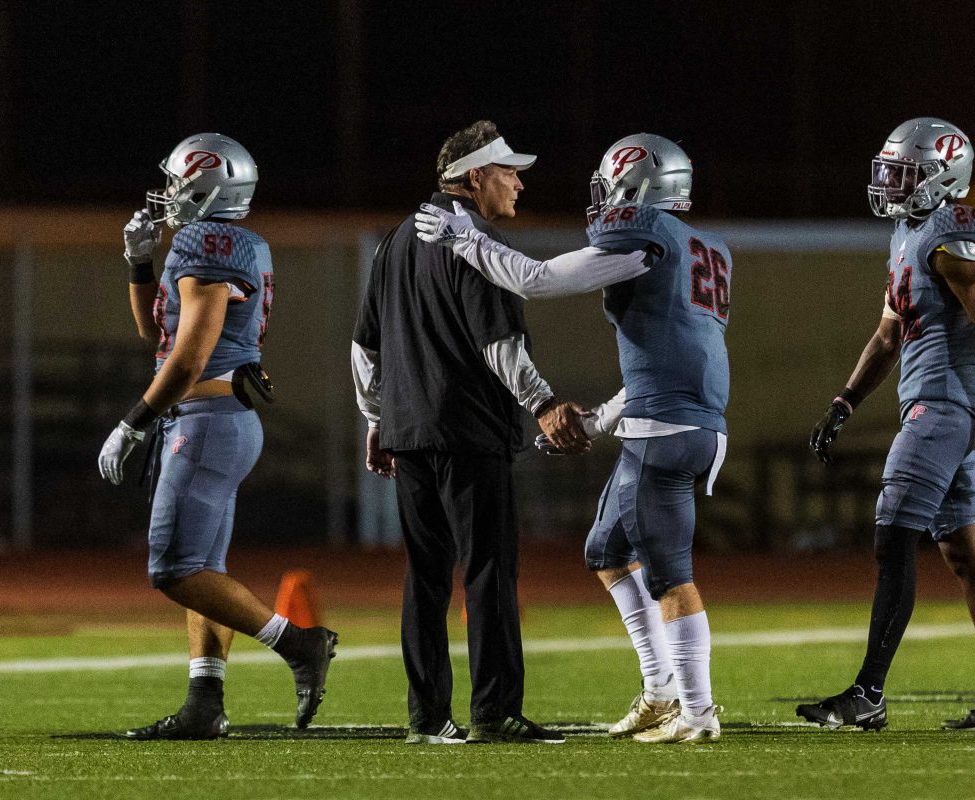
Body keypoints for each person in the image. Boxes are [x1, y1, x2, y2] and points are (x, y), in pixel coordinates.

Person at [415, 133, 730, 743]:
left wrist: (465, 238)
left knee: (669, 575)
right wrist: (600, 420)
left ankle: (698, 712)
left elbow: (536, 279)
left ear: (639, 185)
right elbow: (668, 359)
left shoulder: (646, 236)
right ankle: (662, 692)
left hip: (664, 429)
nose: (604, 198)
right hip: (679, 418)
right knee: (606, 552)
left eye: (613, 184)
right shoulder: (703, 246)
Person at [796, 118, 975, 731]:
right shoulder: (909, 236)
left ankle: (868, 694)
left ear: (944, 177)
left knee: (893, 536)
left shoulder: (949, 235)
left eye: (905, 173)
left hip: (943, 408)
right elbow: (889, 334)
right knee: (964, 552)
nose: (891, 183)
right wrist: (844, 402)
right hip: (940, 407)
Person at [352, 120, 587, 745]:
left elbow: (364, 346)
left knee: (425, 575)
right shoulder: (471, 240)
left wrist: (376, 420)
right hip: (468, 432)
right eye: (510, 173)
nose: (518, 184)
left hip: (409, 432)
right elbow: (499, 342)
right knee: (489, 570)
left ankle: (427, 716)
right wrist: (541, 406)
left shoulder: (396, 241)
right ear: (476, 177)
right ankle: (494, 711)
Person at [99, 133, 338, 740]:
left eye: (180, 182)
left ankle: (299, 644)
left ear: (207, 186)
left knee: (174, 568)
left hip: (204, 422)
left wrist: (132, 423)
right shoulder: (234, 241)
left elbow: (187, 358)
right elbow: (160, 338)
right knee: (204, 566)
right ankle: (205, 700)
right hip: (216, 421)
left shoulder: (207, 241)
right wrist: (139, 266)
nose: (171, 194)